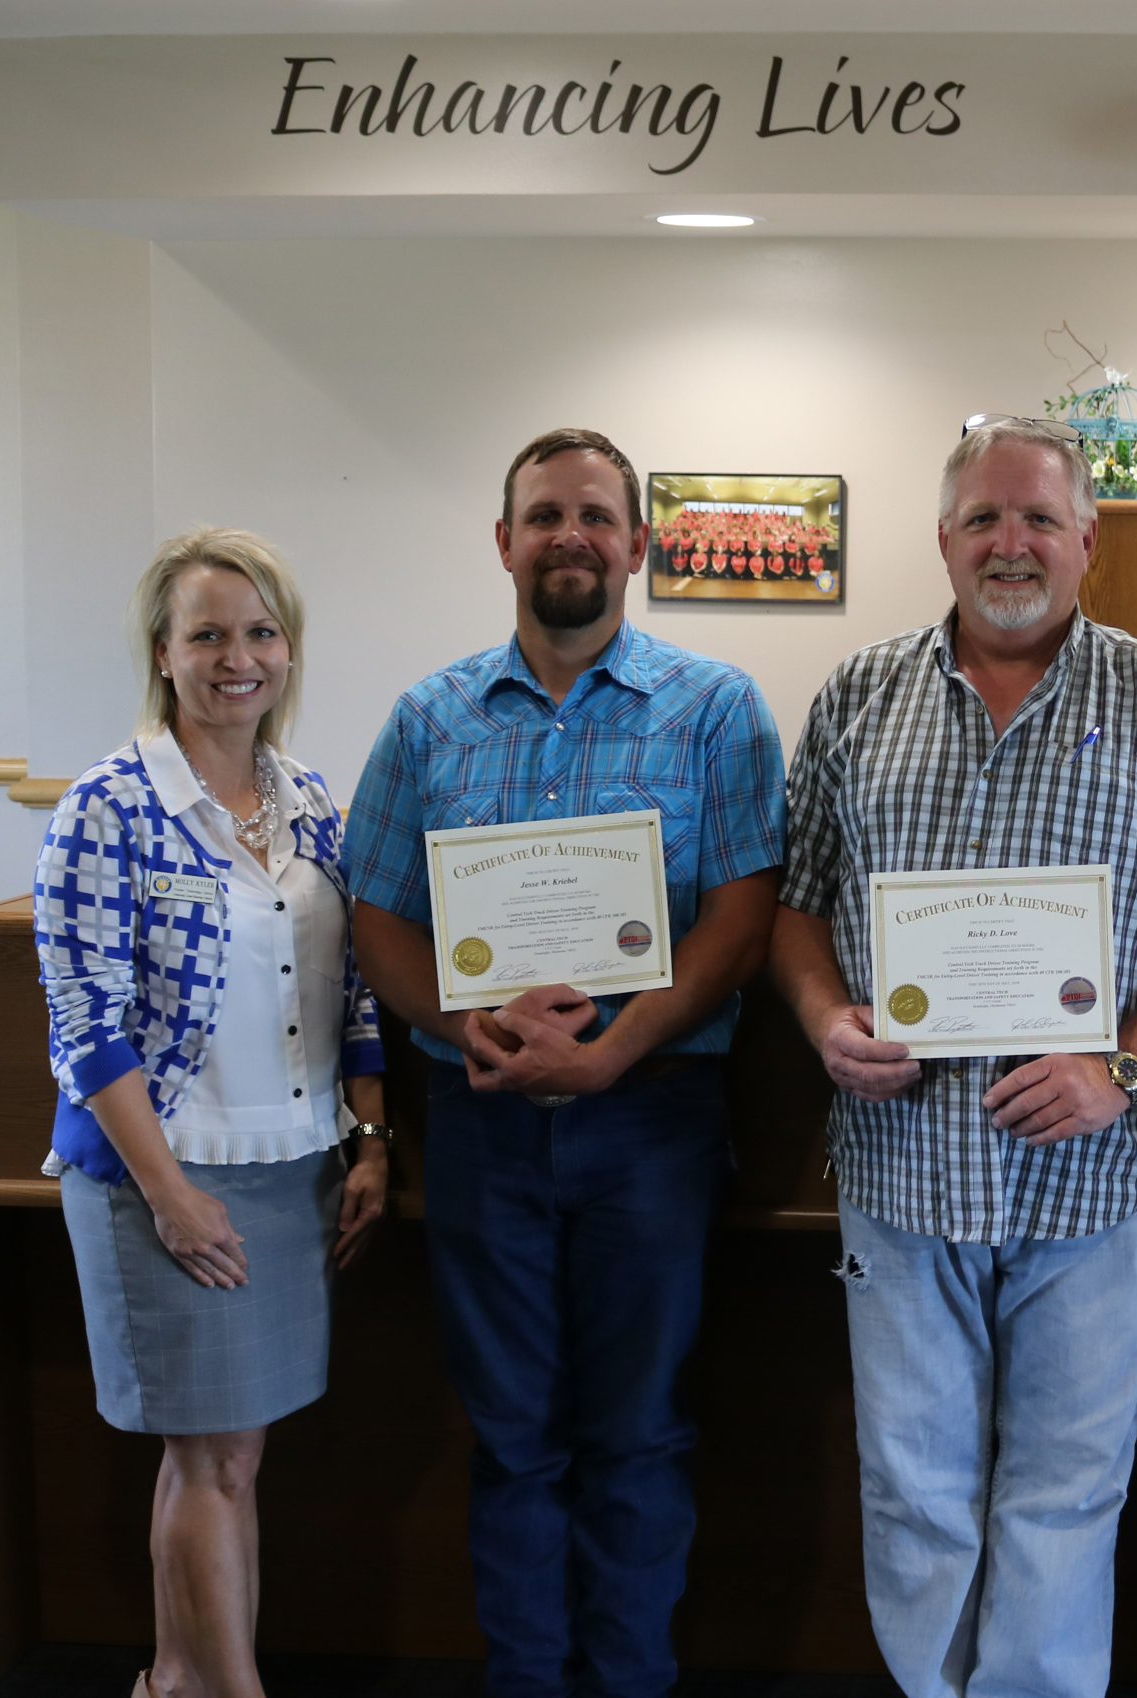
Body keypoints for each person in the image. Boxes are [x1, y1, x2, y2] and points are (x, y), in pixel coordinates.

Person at [770, 415, 1137, 1698]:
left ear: (1087, 542)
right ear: (942, 538)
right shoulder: (856, 697)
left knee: (1067, 1494)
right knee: (914, 1489)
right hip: (904, 1174)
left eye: (1040, 519)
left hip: (1094, 1187)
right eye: (986, 519)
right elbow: (798, 905)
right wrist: (827, 1015)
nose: (1013, 544)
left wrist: (1122, 1068)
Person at [347, 428, 786, 1698]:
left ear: (639, 544)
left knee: (641, 1437)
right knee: (513, 1442)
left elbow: (744, 911)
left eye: (597, 514)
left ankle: (631, 1682)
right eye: (544, 515)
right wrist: (450, 1020)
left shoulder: (714, 708)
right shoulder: (430, 717)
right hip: (480, 1122)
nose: (570, 536)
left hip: (653, 1119)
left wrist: (618, 1048)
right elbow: (378, 907)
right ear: (504, 543)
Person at [35, 527, 388, 1698]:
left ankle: (180, 1681)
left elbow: (357, 994)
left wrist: (370, 1138)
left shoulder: (310, 799)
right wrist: (172, 1196)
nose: (238, 657)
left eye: (260, 632)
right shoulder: (108, 806)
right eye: (208, 634)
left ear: (289, 649)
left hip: (292, 1169)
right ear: (163, 651)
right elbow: (86, 1023)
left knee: (234, 1458)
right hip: (166, 1173)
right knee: (212, 1456)